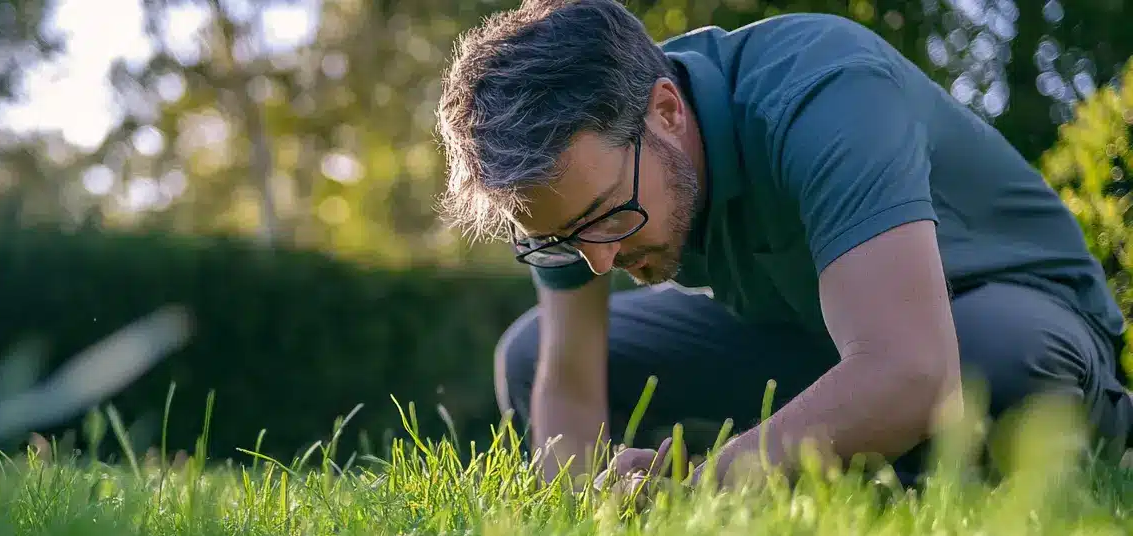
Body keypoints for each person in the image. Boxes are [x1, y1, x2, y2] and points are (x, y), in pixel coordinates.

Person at [433, 0, 1133, 490]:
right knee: (528, 353)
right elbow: (571, 387)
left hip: (1006, 318)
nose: (599, 262)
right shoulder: (580, 183)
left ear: (668, 112)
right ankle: (857, 451)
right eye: (557, 242)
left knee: (990, 366)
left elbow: (917, 371)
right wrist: (591, 501)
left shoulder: (823, 90)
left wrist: (711, 485)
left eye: (609, 217)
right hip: (817, 336)